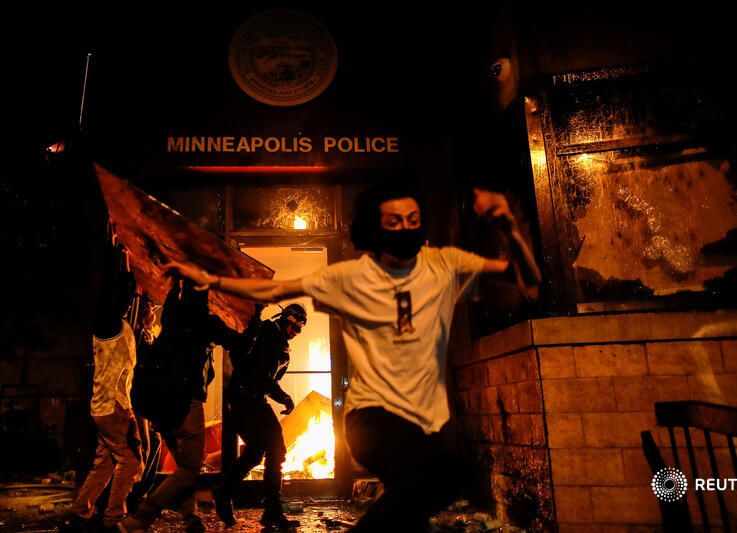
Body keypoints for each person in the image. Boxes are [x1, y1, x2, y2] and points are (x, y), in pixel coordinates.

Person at [165, 186, 541, 532]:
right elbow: (273, 288)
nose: (406, 229)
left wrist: (507, 225)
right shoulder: (351, 276)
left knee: (418, 501)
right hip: (371, 417)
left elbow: (528, 279)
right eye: (394, 221)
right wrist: (210, 281)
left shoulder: (441, 265)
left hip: (417, 417)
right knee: (446, 474)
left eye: (413, 220)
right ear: (375, 229)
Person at [119, 278, 244, 533]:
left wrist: (175, 283)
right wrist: (251, 315)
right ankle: (141, 517)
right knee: (190, 468)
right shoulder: (205, 321)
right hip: (185, 402)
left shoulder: (173, 313)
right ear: (205, 296)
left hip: (162, 405)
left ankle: (191, 520)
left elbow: (172, 298)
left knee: (183, 463)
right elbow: (239, 342)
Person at [61, 267, 143, 533]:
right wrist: (125, 273)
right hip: (113, 406)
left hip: (106, 405)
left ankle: (78, 513)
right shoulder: (110, 323)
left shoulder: (112, 322)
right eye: (130, 297)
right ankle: (113, 518)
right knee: (130, 461)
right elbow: (120, 291)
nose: (132, 302)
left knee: (104, 464)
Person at [212, 303, 307, 529]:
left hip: (254, 399)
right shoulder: (268, 333)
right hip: (245, 398)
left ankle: (263, 506)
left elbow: (267, 379)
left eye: (300, 330)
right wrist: (284, 397)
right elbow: (261, 375)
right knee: (269, 450)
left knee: (263, 451)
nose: (295, 333)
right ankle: (234, 496)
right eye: (294, 327)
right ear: (286, 320)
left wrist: (281, 396)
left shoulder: (279, 340)